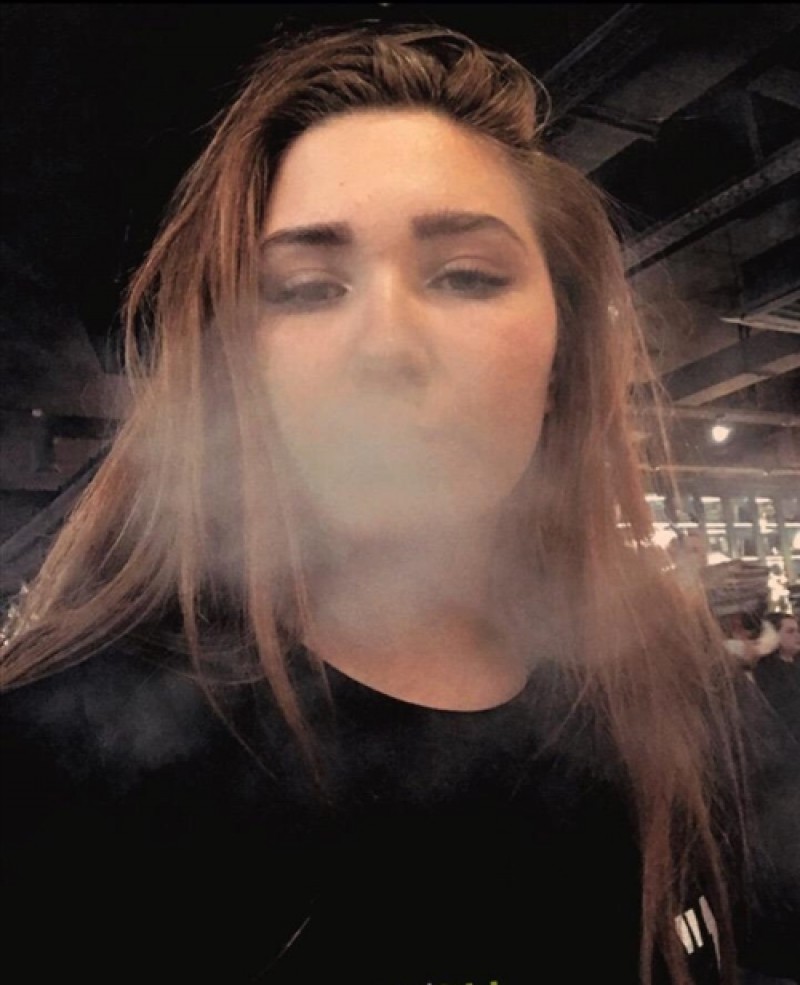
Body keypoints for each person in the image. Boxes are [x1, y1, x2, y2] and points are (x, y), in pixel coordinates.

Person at [1, 24, 797, 985]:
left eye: (466, 276)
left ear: (562, 352)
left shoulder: (679, 698)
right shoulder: (55, 773)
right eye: (306, 289)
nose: (386, 345)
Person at [753, 611, 800, 745]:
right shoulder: (766, 670)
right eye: (790, 632)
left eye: (798, 631)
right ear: (774, 636)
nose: (797, 636)